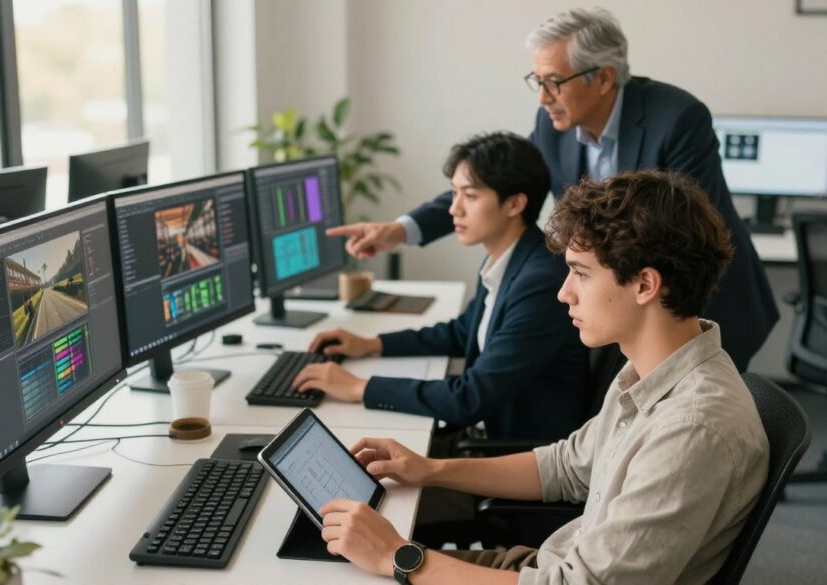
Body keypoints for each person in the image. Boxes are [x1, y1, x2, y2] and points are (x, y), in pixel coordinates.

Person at [315, 171, 770, 584]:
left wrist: (399, 556)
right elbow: (566, 466)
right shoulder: (650, 370)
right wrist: (431, 469)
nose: (563, 292)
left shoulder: (691, 429)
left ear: (645, 285)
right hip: (544, 567)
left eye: (580, 274)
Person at [325, 7, 777, 372]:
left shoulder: (676, 118)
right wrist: (402, 230)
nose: (542, 97)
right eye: (537, 81)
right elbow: (499, 183)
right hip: (621, 307)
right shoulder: (554, 123)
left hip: (698, 308)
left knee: (704, 441)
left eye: (553, 82)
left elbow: (686, 234)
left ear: (601, 78)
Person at [294, 131, 588, 441]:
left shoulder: (538, 282)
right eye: (454, 193)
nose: (454, 209)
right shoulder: (511, 258)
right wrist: (372, 344)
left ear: (515, 204)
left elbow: (469, 398)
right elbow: (463, 332)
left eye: (470, 196)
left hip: (518, 453)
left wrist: (358, 387)